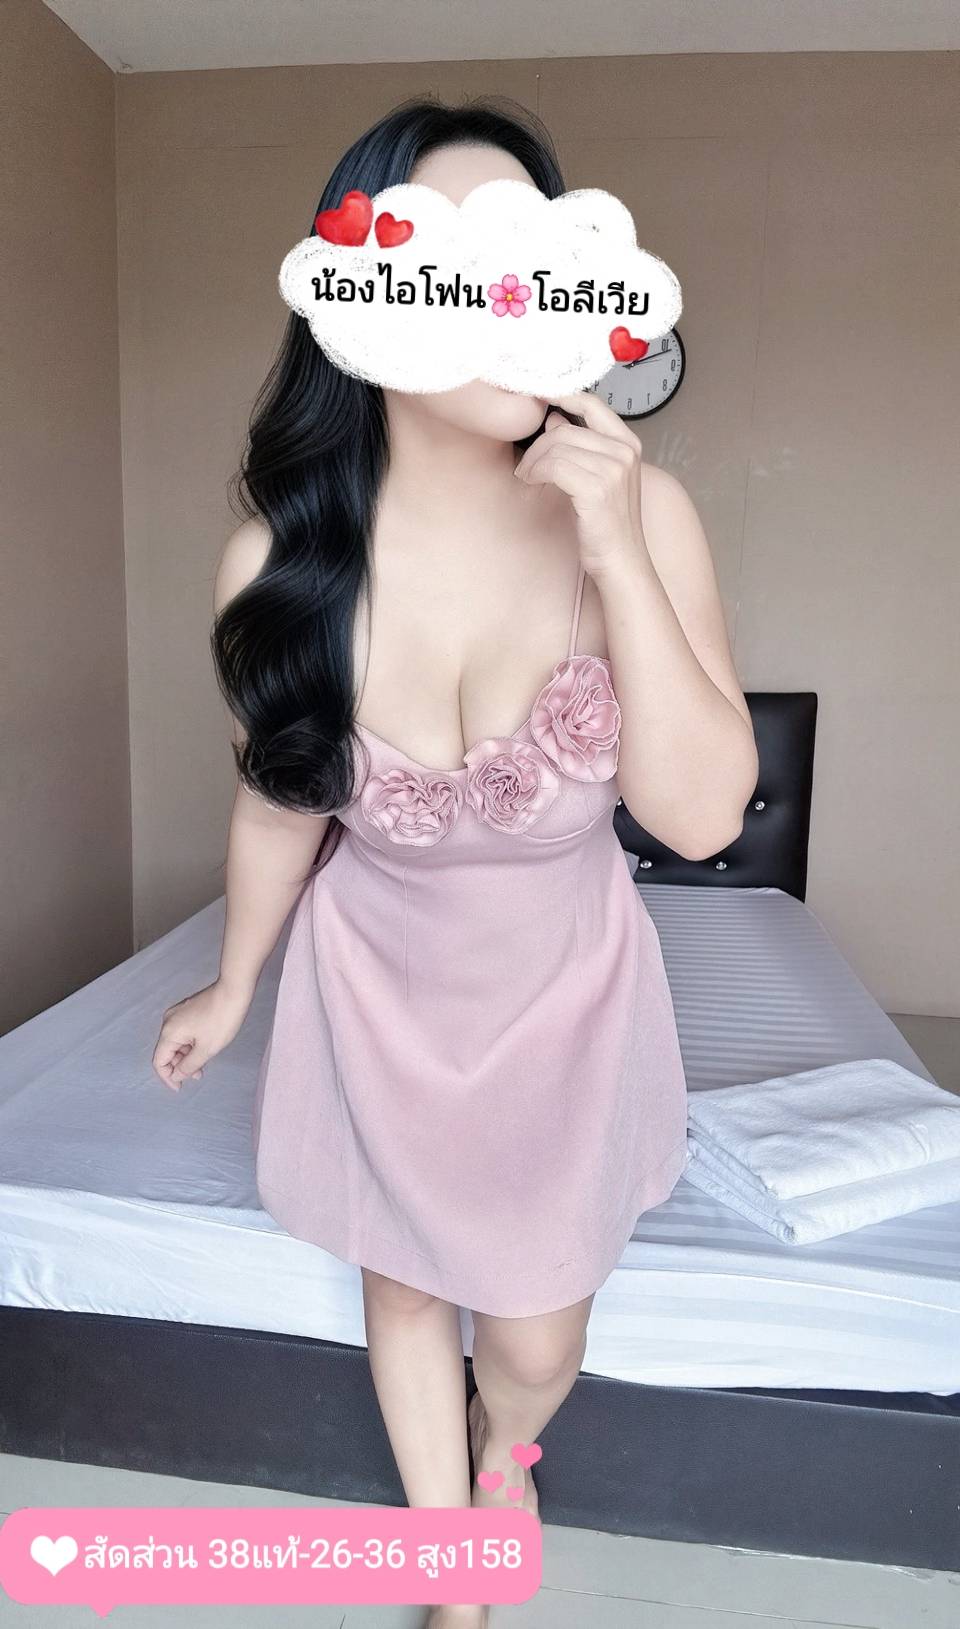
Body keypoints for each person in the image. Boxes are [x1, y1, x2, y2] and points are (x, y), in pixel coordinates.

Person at [152, 95, 759, 1629]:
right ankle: (458, 1568)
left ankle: (507, 1453)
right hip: (375, 984)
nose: (507, 300)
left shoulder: (648, 513)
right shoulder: (278, 564)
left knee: (535, 1340)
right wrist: (234, 983)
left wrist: (616, 548)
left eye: (535, 263)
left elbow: (700, 817)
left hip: (562, 992)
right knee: (407, 1281)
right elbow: (282, 801)